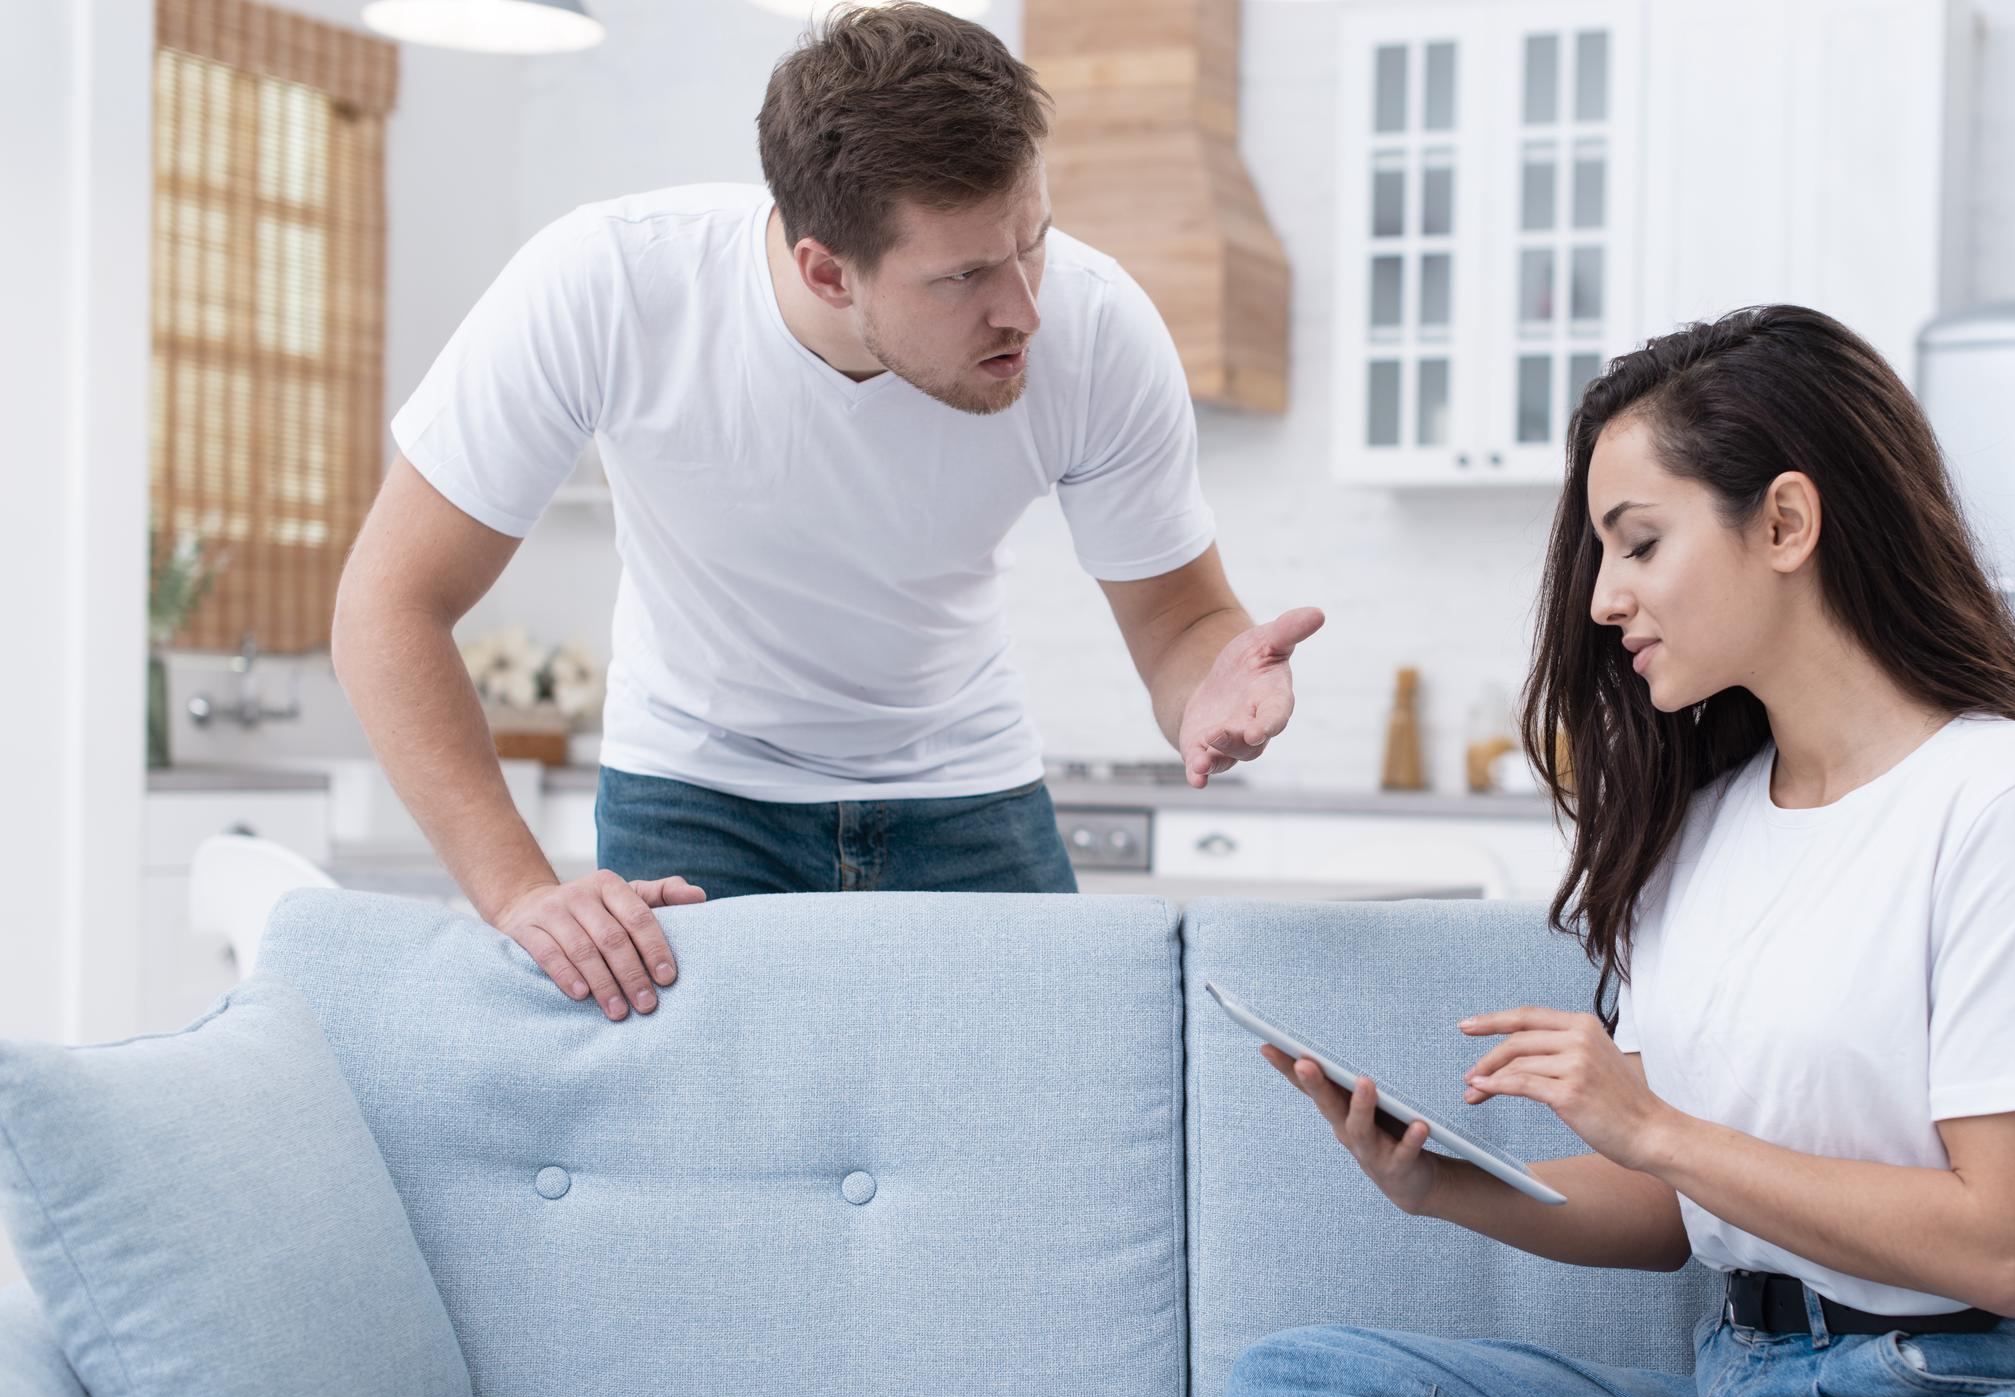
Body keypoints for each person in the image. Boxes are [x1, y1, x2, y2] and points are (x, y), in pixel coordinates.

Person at [1219, 305, 2015, 1397]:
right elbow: (1680, 1211)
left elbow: (2000, 1246)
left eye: (1638, 542)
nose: (1600, 597)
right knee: (1297, 1395)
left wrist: (1657, 1127)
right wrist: (1444, 1187)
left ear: (1786, 524)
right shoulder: (1700, 832)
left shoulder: (2008, 808)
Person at [331, 4, 1320, 1024]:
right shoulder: (607, 285)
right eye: (966, 275)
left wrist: (1206, 686)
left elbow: (1178, 620)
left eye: (1034, 242)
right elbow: (388, 606)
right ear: (824, 270)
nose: (1023, 305)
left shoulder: (1098, 327)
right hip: (696, 792)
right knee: (712, 1158)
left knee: (1047, 1117)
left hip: (968, 795)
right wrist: (522, 893)